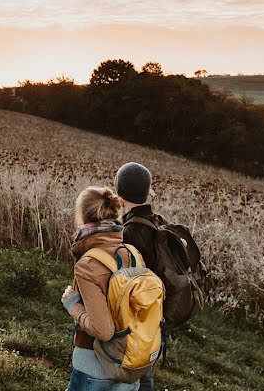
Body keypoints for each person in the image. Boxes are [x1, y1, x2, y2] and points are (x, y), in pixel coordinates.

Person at [60, 186, 141, 391]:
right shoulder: (133, 254)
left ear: (83, 216)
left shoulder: (88, 265)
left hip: (94, 368)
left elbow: (103, 331)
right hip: (131, 363)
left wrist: (72, 305)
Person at [115, 162, 159, 391]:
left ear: (118, 191)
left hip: (135, 320)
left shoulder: (129, 231)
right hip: (154, 318)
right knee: (145, 373)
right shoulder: (156, 222)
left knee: (131, 377)